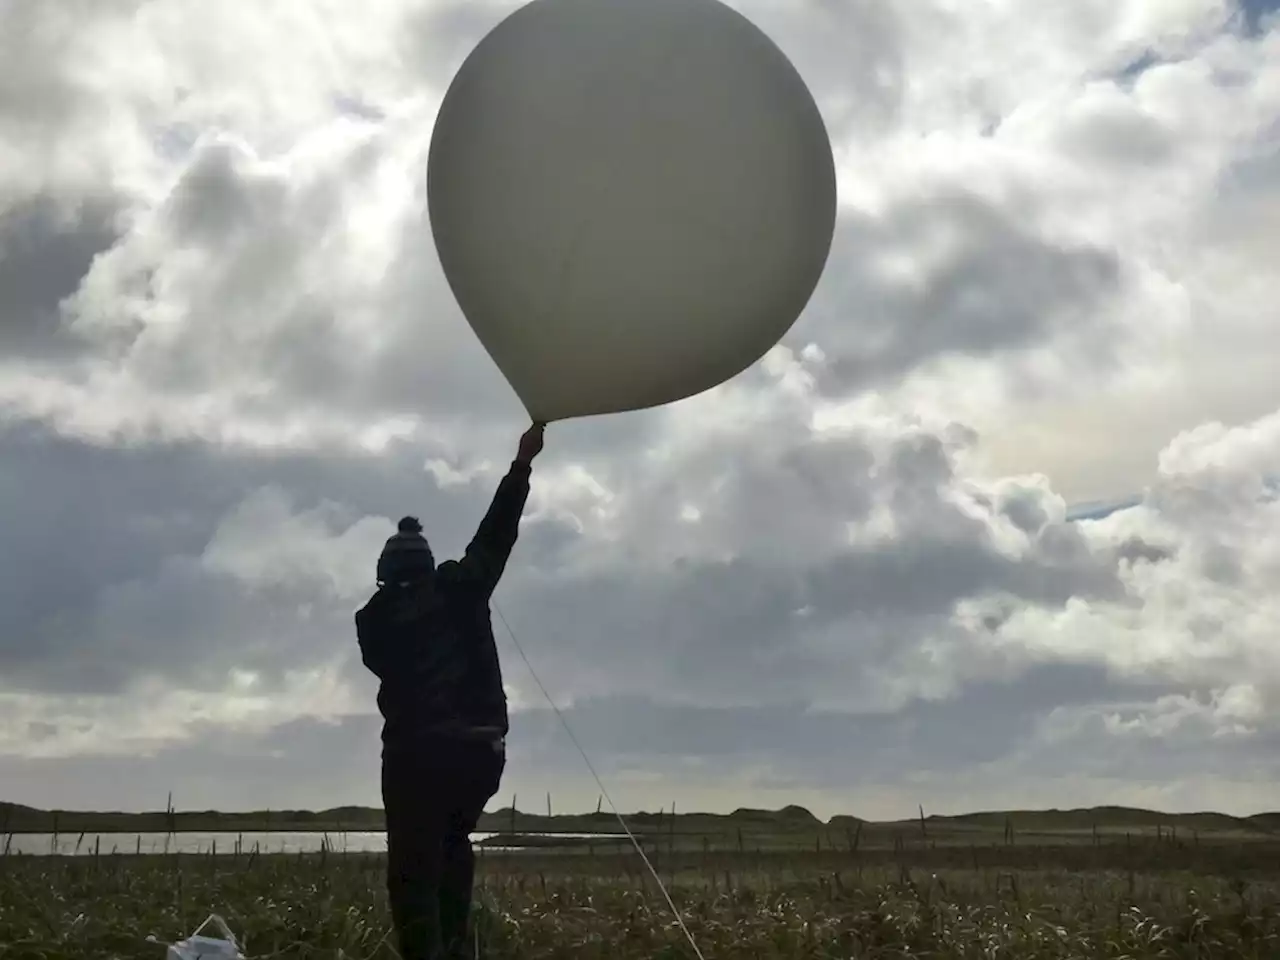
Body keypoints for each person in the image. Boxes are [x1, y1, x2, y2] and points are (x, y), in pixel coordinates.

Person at [355, 421, 546, 960]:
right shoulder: (463, 587)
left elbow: (382, 662)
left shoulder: (374, 621)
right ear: (426, 566)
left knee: (413, 872)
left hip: (416, 758)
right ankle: (458, 951)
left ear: (384, 576)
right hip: (479, 756)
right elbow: (497, 532)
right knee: (453, 847)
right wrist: (521, 464)